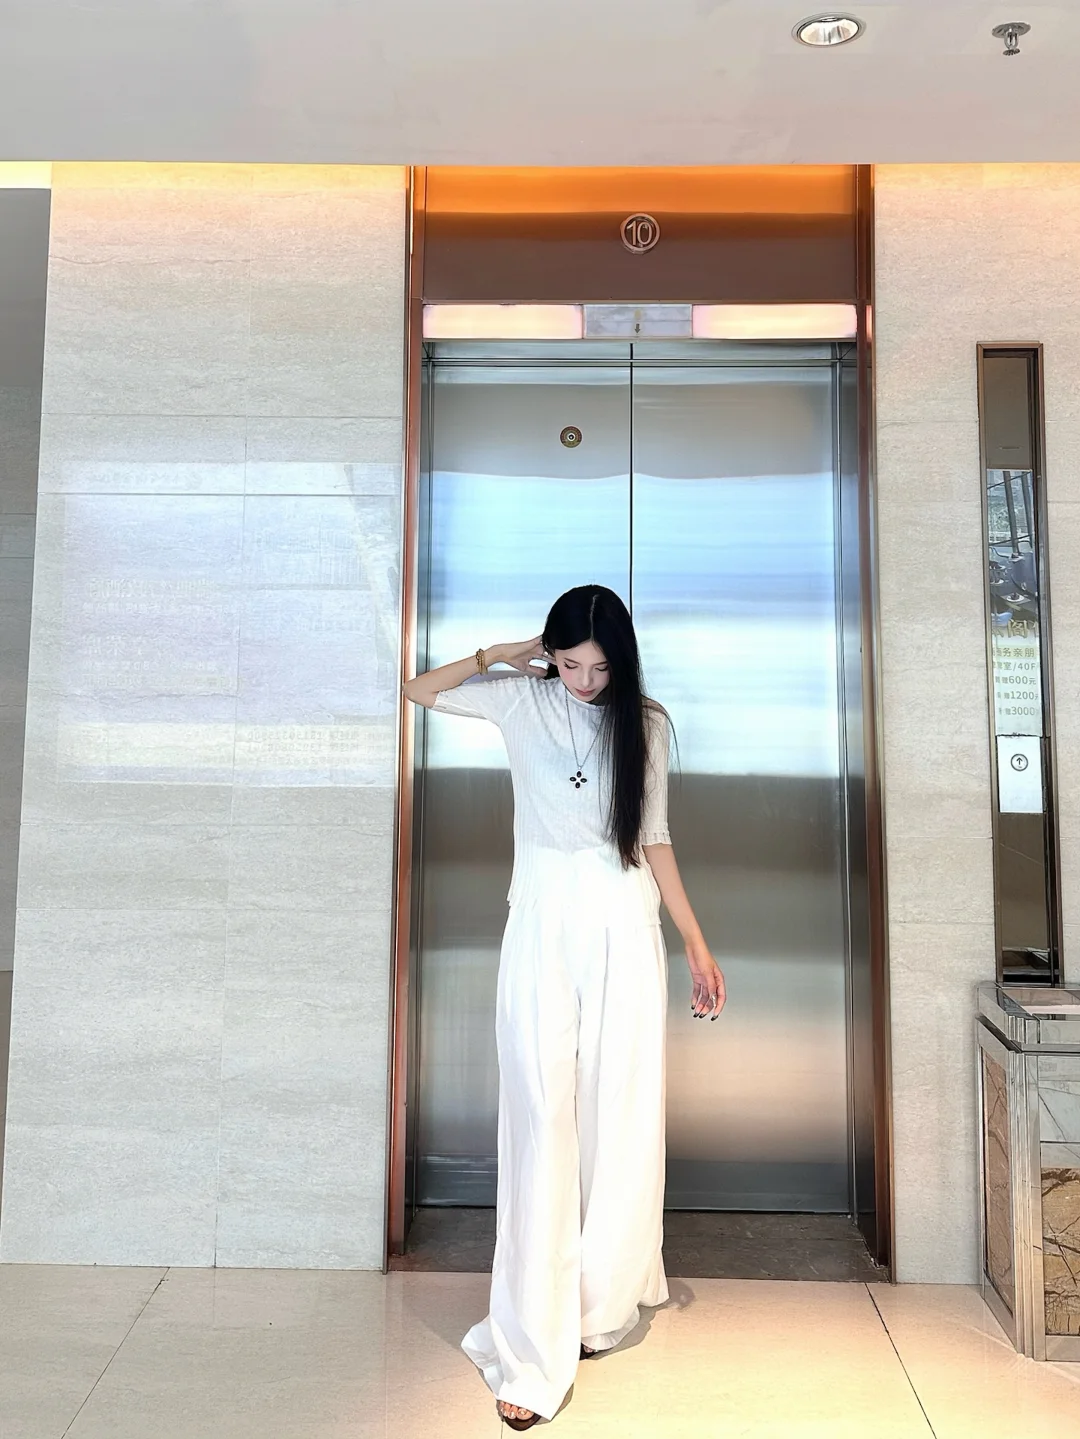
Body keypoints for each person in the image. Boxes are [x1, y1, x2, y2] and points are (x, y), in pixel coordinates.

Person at [403, 584, 726, 1430]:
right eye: (572, 663)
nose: (585, 681)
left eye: (601, 667)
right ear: (551, 655)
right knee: (541, 1117)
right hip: (542, 927)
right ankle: (531, 1342)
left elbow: (653, 837)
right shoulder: (520, 700)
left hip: (624, 924)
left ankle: (596, 1303)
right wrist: (499, 654)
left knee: (618, 1115)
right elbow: (417, 690)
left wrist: (695, 940)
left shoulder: (646, 723)